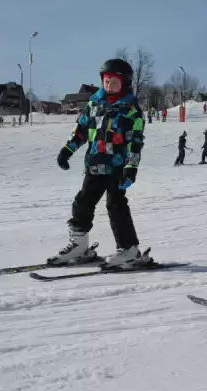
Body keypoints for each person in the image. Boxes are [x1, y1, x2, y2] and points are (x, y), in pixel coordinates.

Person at [49, 58, 146, 267]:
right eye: (106, 81)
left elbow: (135, 142)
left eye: (114, 83)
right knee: (82, 202)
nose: (109, 86)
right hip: (94, 165)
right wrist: (67, 151)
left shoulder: (131, 109)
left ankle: (129, 249)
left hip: (117, 168)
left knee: (116, 205)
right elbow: (81, 132)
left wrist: (131, 168)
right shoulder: (93, 104)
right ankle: (79, 246)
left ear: (124, 84)